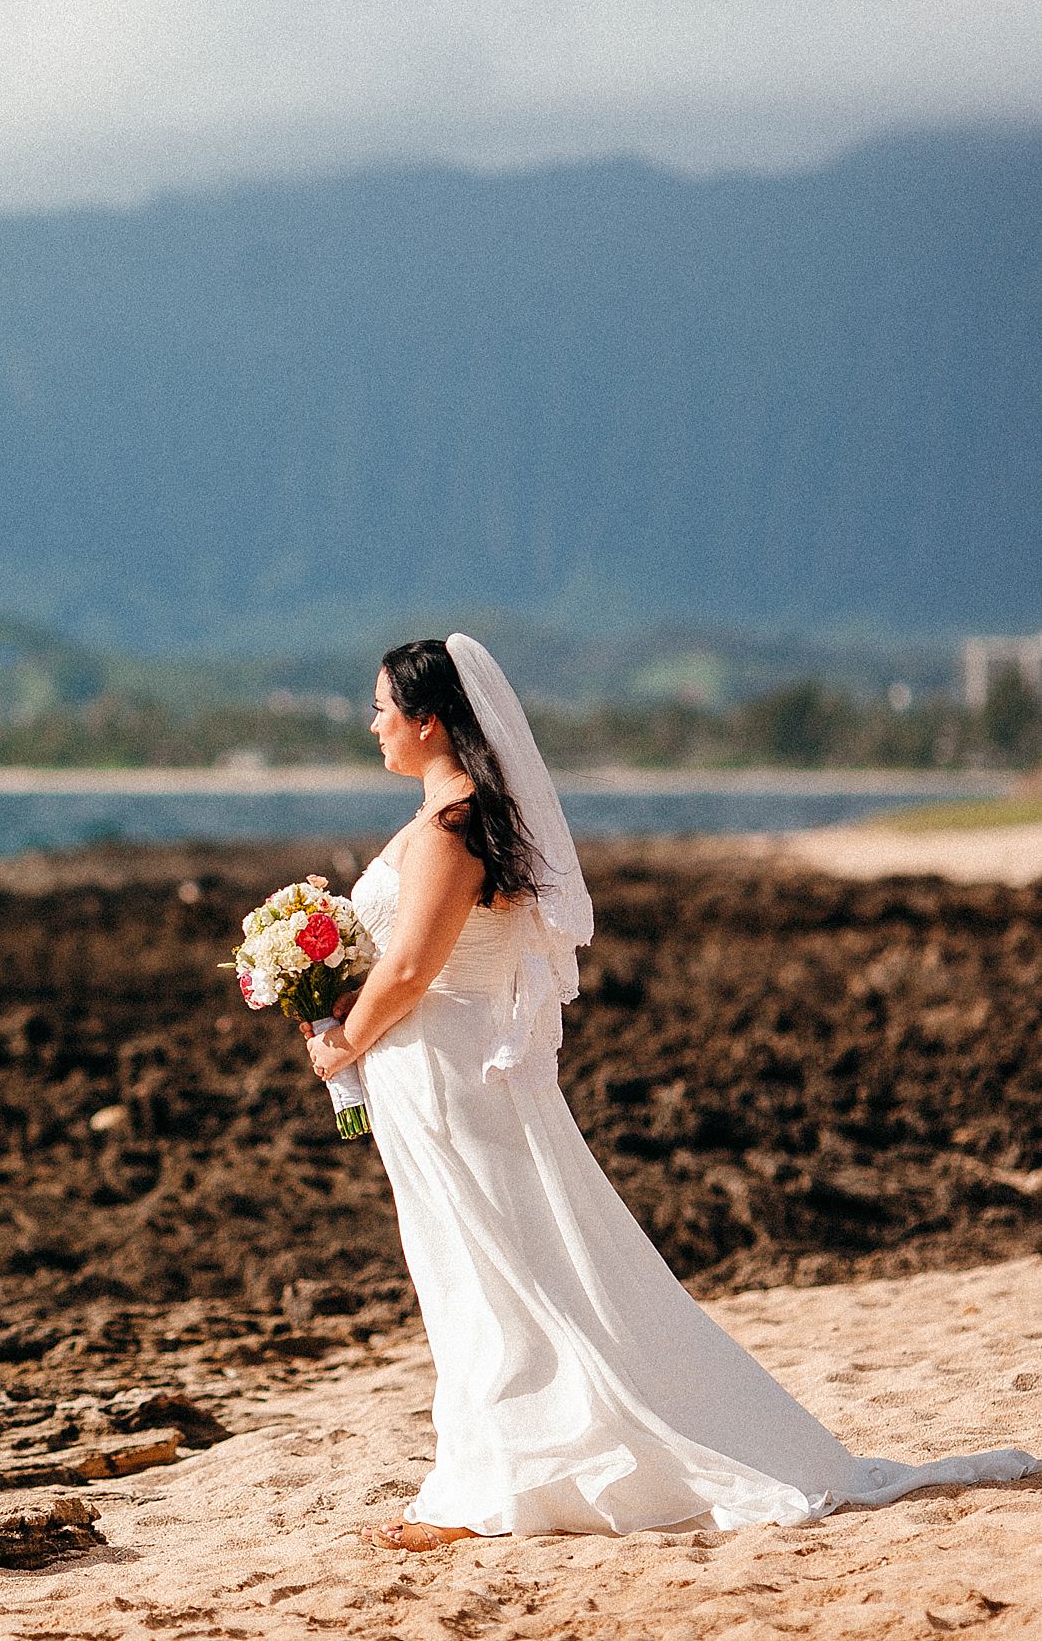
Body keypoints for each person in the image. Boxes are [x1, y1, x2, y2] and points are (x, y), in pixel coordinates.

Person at [302, 634, 1038, 1552]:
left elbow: (412, 967)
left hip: (453, 1079)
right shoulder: (441, 817)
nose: (371, 724)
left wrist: (344, 1044)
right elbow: (400, 958)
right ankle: (489, 1468)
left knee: (497, 1273)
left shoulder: (454, 830)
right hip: (431, 1076)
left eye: (381, 708)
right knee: (474, 1269)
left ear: (429, 721)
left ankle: (489, 1485)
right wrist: (328, 993)